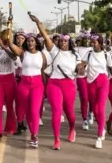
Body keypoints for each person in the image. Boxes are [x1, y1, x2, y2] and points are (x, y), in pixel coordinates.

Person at [30, 14, 83, 150]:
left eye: (65, 41)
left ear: (69, 42)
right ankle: (56, 139)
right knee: (57, 111)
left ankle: (72, 129)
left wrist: (81, 67)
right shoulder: (55, 51)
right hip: (54, 84)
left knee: (69, 112)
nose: (63, 42)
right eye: (61, 40)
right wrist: (38, 23)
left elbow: (80, 70)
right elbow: (46, 36)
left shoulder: (75, 55)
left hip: (69, 85)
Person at [9, 33, 46, 148]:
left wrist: (46, 88)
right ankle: (33, 133)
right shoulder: (23, 53)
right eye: (28, 41)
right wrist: (9, 27)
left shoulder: (42, 55)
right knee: (28, 113)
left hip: (37, 85)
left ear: (36, 43)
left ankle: (34, 136)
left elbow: (44, 72)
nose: (30, 43)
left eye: (32, 41)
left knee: (35, 111)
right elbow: (10, 44)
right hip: (24, 85)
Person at [83, 34, 112, 149]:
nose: (92, 43)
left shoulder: (106, 54)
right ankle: (102, 128)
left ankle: (99, 136)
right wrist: (80, 67)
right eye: (91, 41)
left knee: (101, 108)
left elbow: (110, 68)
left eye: (94, 42)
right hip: (91, 82)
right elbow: (83, 64)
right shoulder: (89, 53)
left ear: (100, 43)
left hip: (103, 82)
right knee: (95, 110)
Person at [0, 30, 18, 141]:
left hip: (9, 78)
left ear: (5, 38)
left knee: (10, 105)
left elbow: (14, 57)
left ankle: (10, 127)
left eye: (0, 37)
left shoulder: (10, 48)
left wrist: (5, 47)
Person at [75, 34, 93, 130]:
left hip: (92, 76)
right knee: (84, 98)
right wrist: (82, 63)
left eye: (88, 39)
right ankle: (84, 119)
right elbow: (76, 62)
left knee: (92, 98)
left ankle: (91, 112)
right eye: (84, 38)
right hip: (81, 76)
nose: (86, 40)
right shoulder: (77, 49)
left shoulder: (93, 49)